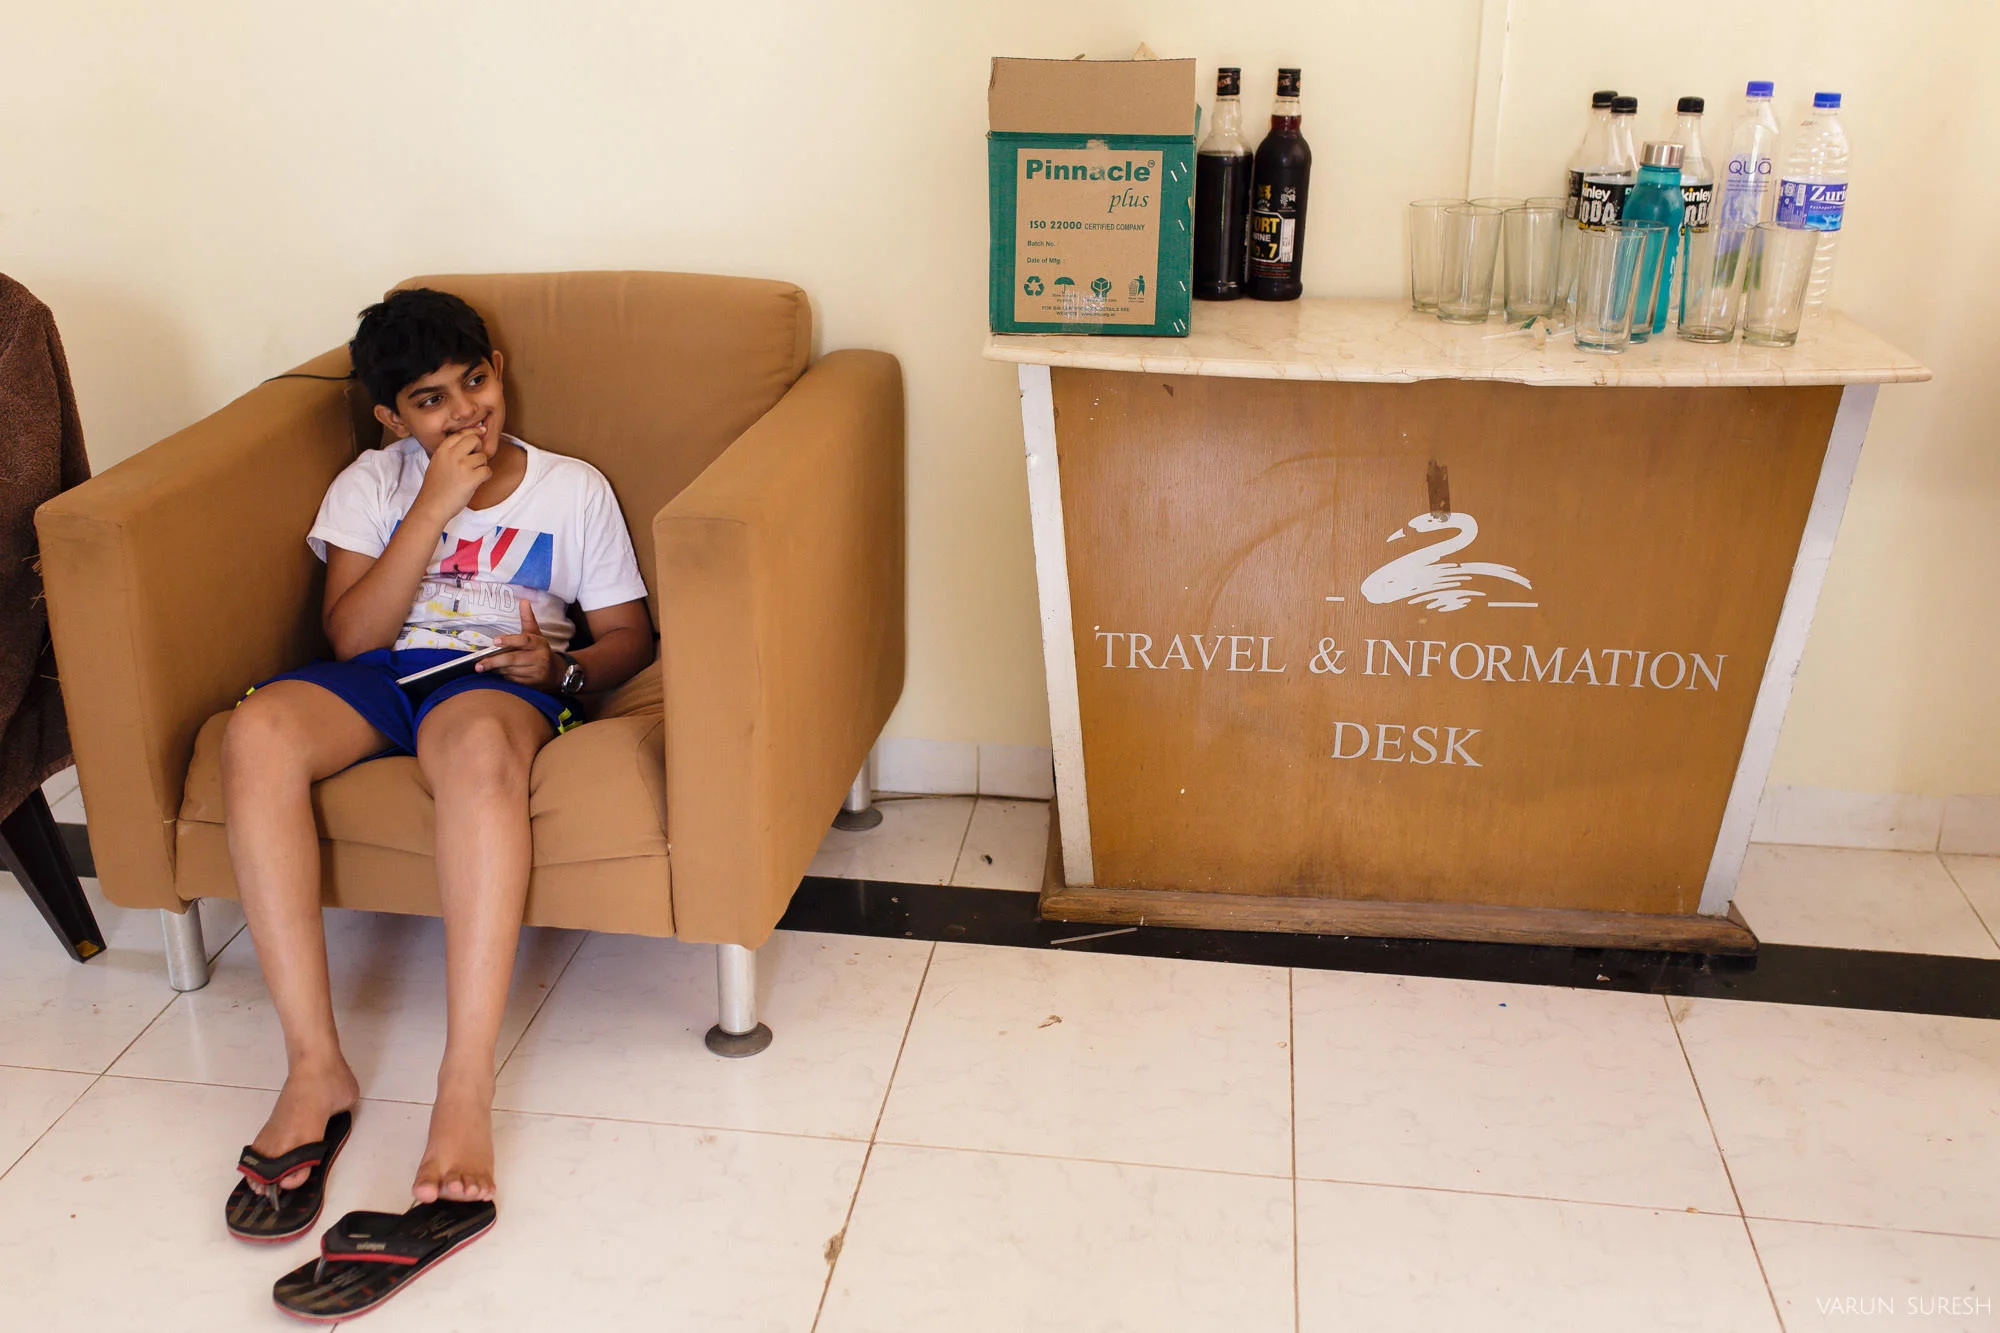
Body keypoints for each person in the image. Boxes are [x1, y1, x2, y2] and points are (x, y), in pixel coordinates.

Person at [219, 289, 654, 1240]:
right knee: (254, 732)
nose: (466, 413)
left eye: (475, 381)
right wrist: (432, 504)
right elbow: (352, 638)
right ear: (391, 417)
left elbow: (627, 634)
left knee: (476, 747)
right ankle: (314, 1067)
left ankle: (463, 1087)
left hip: (497, 680)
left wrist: (563, 670)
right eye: (430, 400)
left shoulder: (571, 488)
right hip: (386, 671)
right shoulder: (372, 486)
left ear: (499, 368)